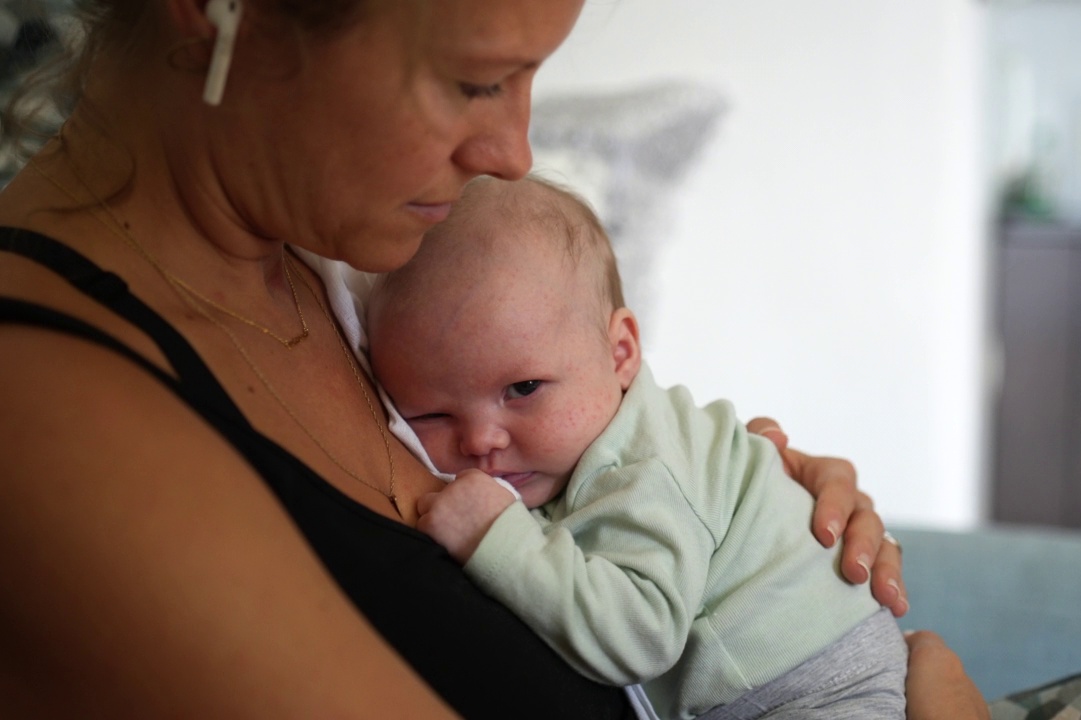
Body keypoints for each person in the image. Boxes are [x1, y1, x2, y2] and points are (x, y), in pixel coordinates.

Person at [0, 1, 989, 718]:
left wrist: (753, 498)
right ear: (224, 15)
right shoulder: (46, 411)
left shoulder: (341, 280)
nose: (515, 150)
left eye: (530, 80)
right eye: (476, 80)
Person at [365, 175, 908, 720]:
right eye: (432, 414)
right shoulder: (582, 448)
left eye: (524, 389)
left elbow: (641, 636)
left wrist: (495, 537)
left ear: (620, 352)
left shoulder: (642, 469)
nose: (481, 440)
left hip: (817, 687)